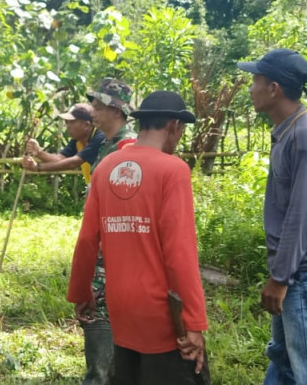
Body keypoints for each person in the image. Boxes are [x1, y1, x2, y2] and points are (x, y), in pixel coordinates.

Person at [68, 91, 210, 384]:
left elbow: (86, 240)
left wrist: (82, 292)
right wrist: (194, 322)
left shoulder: (106, 167)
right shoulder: (173, 170)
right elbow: (179, 253)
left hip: (119, 305)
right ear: (174, 126)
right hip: (161, 312)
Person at [238, 49, 307, 385]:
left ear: (274, 89)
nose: (251, 88)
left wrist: (281, 277)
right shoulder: (289, 131)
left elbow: (303, 215)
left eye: (255, 81)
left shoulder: (306, 136)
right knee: (284, 363)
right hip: (299, 272)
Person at [73, 77, 138, 384]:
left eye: (98, 105)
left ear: (116, 109)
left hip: (116, 255)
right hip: (100, 251)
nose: (93, 111)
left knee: (104, 322)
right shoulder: (105, 145)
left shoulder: (130, 148)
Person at [22, 103, 106, 183]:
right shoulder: (78, 139)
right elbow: (60, 159)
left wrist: (37, 167)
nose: (68, 126)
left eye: (72, 122)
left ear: (86, 125)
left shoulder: (100, 138)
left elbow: (72, 163)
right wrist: (38, 153)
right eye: (66, 122)